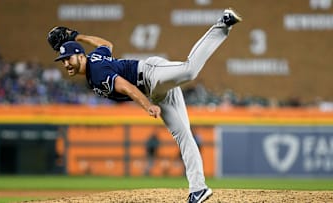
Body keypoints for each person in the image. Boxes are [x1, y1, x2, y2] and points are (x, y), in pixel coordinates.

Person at [49, 8, 242, 203]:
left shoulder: (97, 72)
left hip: (150, 73)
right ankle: (198, 189)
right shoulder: (95, 59)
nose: (66, 64)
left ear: (81, 56)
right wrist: (77, 36)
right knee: (183, 134)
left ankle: (223, 23)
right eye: (63, 60)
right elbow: (106, 44)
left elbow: (127, 87)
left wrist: (147, 106)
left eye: (68, 58)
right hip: (154, 90)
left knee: (189, 71)